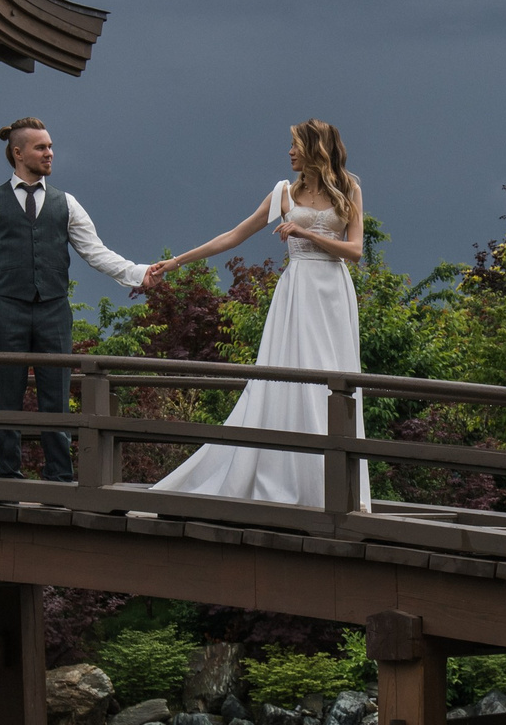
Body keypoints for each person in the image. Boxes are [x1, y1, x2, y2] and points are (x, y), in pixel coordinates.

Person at [148, 119, 372, 507]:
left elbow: (354, 251)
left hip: (333, 294)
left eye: (295, 145)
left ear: (316, 148)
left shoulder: (349, 189)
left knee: (332, 383)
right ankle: (291, 481)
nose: (289, 152)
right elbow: (232, 236)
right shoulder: (283, 193)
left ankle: (332, 487)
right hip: (298, 293)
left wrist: (308, 234)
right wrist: (176, 262)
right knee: (293, 378)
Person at [0, 116, 156, 481]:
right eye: (41, 147)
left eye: (50, 146)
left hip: (53, 310)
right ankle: (7, 479)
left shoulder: (66, 203)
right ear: (18, 153)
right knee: (7, 395)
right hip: (8, 308)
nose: (50, 153)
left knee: (57, 396)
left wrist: (139, 273)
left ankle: (60, 480)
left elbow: (96, 252)